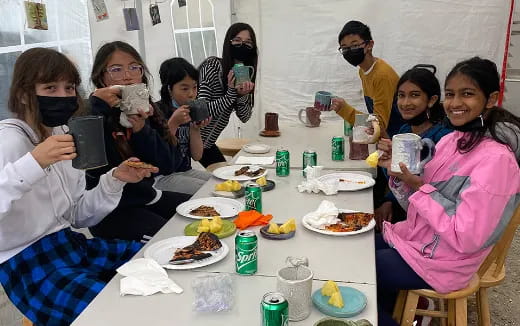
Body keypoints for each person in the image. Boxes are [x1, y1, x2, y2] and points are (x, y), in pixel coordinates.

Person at [0, 48, 155, 325]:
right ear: (24, 94)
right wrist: (32, 164)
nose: (63, 96)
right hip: (26, 263)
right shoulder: (9, 141)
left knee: (156, 258)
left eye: (69, 87)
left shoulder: (62, 134)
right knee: (114, 315)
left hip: (70, 245)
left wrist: (115, 180)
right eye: (50, 87)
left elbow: (77, 216)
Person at [376, 57, 520, 326]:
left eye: (467, 94)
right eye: (451, 94)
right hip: (421, 242)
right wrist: (399, 177)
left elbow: (467, 237)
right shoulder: (452, 141)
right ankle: (397, 312)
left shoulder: (497, 160)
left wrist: (419, 185)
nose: (455, 103)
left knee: (366, 270)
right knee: (359, 248)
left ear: (490, 99)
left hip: (448, 262)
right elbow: (419, 207)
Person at [87, 41, 191, 242]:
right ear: (101, 77)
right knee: (172, 240)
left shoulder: (145, 109)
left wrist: (141, 130)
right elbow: (94, 171)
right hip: (111, 210)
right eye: (116, 69)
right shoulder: (92, 114)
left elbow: (168, 165)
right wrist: (98, 106)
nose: (127, 75)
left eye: (134, 67)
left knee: (201, 210)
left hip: (146, 195)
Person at [375, 65, 452, 230]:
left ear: (431, 100)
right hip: (406, 210)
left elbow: (437, 190)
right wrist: (389, 200)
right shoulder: (404, 131)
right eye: (401, 96)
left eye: (414, 95)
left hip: (428, 225)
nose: (405, 103)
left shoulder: (443, 139)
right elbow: (399, 179)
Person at [197, 22, 258, 167]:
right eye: (237, 40)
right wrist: (231, 94)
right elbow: (201, 111)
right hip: (189, 140)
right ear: (228, 42)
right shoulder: (212, 66)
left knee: (227, 177)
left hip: (208, 143)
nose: (242, 45)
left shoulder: (245, 73)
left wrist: (242, 95)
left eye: (248, 43)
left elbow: (245, 117)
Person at [330, 20, 404, 138]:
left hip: (397, 138)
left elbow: (379, 125)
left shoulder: (381, 75)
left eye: (355, 45)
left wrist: (344, 109)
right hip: (384, 136)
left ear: (369, 45)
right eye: (344, 48)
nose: (349, 51)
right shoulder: (363, 71)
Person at [156, 57, 212, 195]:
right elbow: (157, 155)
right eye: (185, 88)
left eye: (195, 87)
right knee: (209, 191)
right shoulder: (156, 112)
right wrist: (173, 123)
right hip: (162, 176)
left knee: (219, 183)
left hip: (185, 170)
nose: (192, 94)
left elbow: (197, 156)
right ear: (169, 89)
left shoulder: (188, 110)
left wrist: (195, 129)